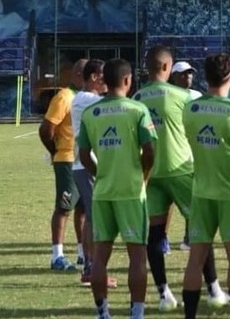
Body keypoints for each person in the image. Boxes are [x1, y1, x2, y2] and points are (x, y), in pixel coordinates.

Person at [134, 46, 228, 311]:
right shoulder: (183, 97)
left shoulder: (138, 97)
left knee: (154, 234)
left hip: (151, 175)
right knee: (201, 229)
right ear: (167, 68)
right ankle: (214, 289)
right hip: (181, 170)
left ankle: (164, 294)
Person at [77, 58, 156, 319]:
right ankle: (137, 314)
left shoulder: (91, 113)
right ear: (127, 80)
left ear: (104, 81)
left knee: (100, 256)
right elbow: (150, 150)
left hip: (103, 192)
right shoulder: (137, 110)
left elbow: (85, 154)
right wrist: (143, 175)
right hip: (132, 192)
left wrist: (100, 174)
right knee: (137, 256)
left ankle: (103, 313)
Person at [181, 53, 230, 319]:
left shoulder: (189, 109)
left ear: (205, 76)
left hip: (200, 192)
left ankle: (189, 316)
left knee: (196, 259)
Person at [70, 59, 118, 288]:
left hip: (86, 164)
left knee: (92, 216)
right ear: (93, 78)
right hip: (87, 165)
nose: (105, 81)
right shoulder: (88, 100)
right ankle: (91, 269)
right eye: (102, 76)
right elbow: (114, 104)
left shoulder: (87, 99)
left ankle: (91, 267)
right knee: (94, 218)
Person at [40, 58, 88, 271]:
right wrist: (55, 151)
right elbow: (46, 129)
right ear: (79, 75)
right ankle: (57, 256)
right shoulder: (64, 97)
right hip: (67, 160)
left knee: (83, 208)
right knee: (64, 207)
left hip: (83, 160)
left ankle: (82, 253)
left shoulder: (83, 98)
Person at [168, 60, 200, 252]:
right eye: (182, 74)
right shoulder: (168, 96)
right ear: (173, 76)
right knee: (168, 200)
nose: (187, 77)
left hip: (193, 153)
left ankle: (189, 237)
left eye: (189, 73)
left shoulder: (197, 96)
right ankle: (162, 237)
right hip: (175, 153)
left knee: (194, 197)